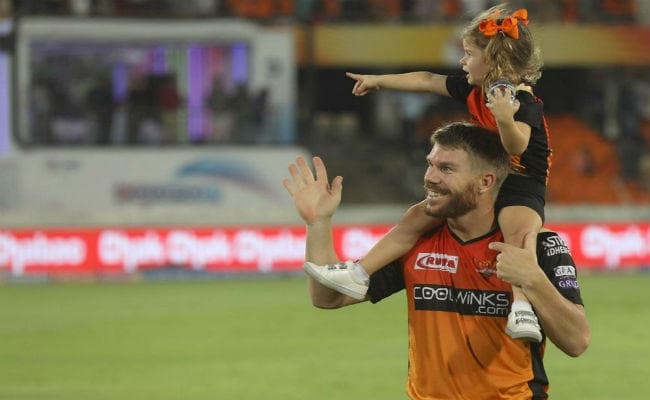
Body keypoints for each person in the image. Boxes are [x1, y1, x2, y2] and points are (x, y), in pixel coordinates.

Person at [283, 122, 590, 400]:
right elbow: (329, 298)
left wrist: (532, 279)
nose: (430, 177)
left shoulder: (536, 245)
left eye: (446, 169)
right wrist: (318, 223)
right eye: (430, 164)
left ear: (485, 182)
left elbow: (577, 341)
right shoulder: (416, 241)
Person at [304, 4, 550, 342]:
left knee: (518, 234)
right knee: (416, 216)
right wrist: (379, 81)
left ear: (493, 60)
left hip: (522, 180)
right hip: (491, 175)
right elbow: (427, 80)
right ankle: (359, 273)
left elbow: (518, 144)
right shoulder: (475, 90)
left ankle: (522, 309)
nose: (462, 61)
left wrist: (505, 118)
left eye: (469, 54)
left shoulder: (521, 99)